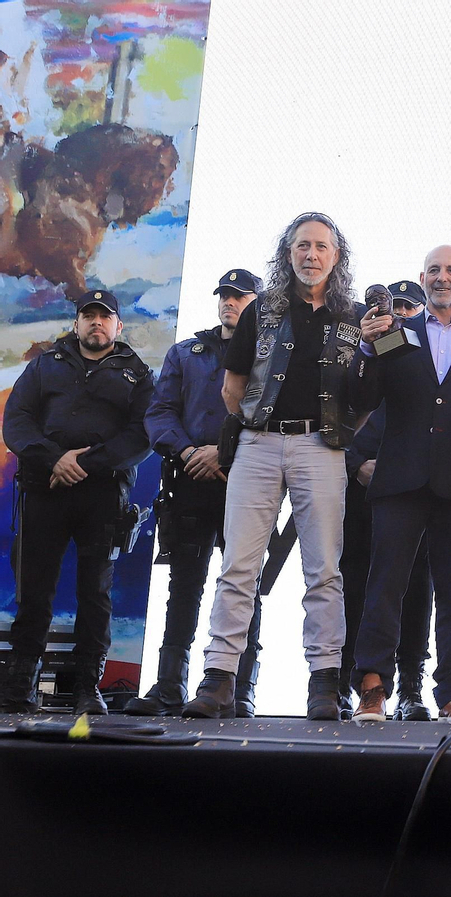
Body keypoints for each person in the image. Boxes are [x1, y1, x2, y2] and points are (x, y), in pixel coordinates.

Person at [183, 212, 367, 720]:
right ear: (288, 254)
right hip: (259, 445)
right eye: (302, 246)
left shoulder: (353, 316)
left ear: (336, 256)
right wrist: (255, 430)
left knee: (323, 569)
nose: (311, 255)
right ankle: (218, 680)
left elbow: (367, 397)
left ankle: (325, 687)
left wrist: (338, 434)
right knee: (238, 564)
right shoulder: (260, 309)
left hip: (322, 448)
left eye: (321, 247)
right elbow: (232, 387)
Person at [348, 247, 451, 723]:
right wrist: (367, 349)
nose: (442, 278)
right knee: (385, 586)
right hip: (400, 478)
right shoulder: (399, 334)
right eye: (434, 271)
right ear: (422, 278)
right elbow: (366, 398)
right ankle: (373, 689)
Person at [0, 290, 153, 714]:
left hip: (103, 495)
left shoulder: (138, 375)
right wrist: (55, 458)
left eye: (105, 317)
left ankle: (88, 686)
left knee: (95, 592)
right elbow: (17, 420)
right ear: (77, 324)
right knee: (33, 587)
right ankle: (20, 681)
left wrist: (86, 463)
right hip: (45, 486)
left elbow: (142, 434)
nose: (96, 323)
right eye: (89, 316)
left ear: (118, 327)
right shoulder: (45, 365)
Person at [128, 269, 266, 717]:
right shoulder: (186, 352)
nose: (229, 303)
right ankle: (169, 685)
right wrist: (189, 451)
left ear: (257, 303)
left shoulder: (272, 354)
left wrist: (224, 455)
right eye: (224, 296)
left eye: (239, 297)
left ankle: (240, 688)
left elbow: (275, 413)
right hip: (189, 480)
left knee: (246, 584)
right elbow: (161, 412)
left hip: (247, 477)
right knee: (184, 584)